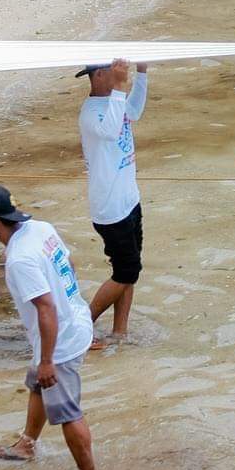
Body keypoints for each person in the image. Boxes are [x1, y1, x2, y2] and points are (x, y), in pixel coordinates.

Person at [0, 184, 97, 470]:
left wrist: (48, 360)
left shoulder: (19, 260)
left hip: (61, 341)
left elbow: (46, 308)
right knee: (37, 382)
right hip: (75, 319)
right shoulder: (40, 228)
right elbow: (69, 266)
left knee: (67, 411)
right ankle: (27, 444)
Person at [77, 58, 148, 346]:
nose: (121, 77)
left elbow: (134, 112)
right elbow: (109, 131)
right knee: (126, 271)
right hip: (110, 209)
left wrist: (142, 74)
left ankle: (120, 332)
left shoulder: (116, 103)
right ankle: (80, 329)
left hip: (130, 200)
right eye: (114, 74)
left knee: (130, 270)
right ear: (100, 75)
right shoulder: (90, 114)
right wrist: (120, 87)